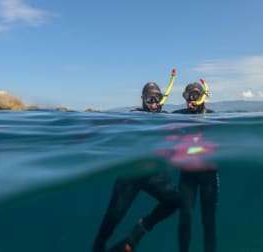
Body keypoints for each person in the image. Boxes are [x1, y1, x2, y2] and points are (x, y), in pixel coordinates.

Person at [93, 73, 180, 252]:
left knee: (175, 200)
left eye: (157, 99)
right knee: (109, 223)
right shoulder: (135, 115)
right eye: (149, 99)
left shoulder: (165, 117)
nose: (154, 103)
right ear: (143, 100)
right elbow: (108, 125)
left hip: (154, 174)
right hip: (130, 176)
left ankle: (141, 229)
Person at [172, 80, 218, 252]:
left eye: (195, 96)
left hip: (208, 176)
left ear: (202, 97)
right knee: (185, 219)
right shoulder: (179, 116)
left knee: (208, 221)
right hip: (187, 175)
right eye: (187, 96)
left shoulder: (213, 117)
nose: (190, 100)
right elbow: (156, 119)